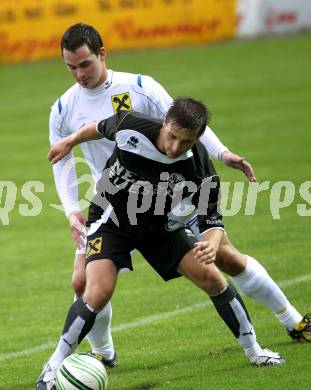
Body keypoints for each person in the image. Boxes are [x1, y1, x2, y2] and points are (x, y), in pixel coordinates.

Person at [49, 22, 310, 371]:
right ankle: (103, 356)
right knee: (82, 281)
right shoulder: (63, 109)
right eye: (71, 67)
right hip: (114, 199)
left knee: (224, 257)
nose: (79, 74)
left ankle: (292, 320)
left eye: (85, 64)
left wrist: (222, 153)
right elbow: (62, 160)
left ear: (102, 55)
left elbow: (190, 124)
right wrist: (70, 210)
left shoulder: (141, 87)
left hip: (172, 195)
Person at [38, 98, 285, 389]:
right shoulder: (131, 124)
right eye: (172, 136)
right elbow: (97, 127)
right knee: (97, 291)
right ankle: (52, 368)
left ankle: (255, 351)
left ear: (197, 138)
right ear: (164, 122)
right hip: (110, 219)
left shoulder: (199, 165)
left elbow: (212, 221)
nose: (175, 147)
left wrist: (213, 243)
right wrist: (69, 140)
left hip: (159, 225)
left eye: (186, 142)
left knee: (213, 278)